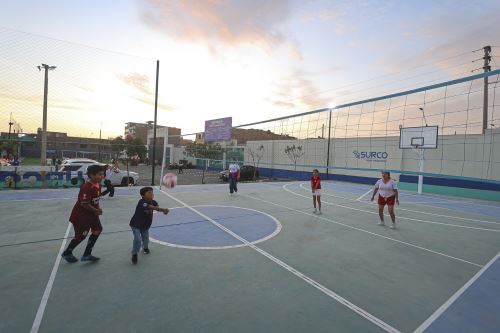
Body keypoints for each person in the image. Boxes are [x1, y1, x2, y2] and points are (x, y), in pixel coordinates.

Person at [61, 165, 104, 263]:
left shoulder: (98, 185)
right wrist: (95, 210)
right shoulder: (86, 187)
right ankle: (67, 252)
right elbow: (84, 203)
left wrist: (97, 208)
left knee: (97, 230)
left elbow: (94, 200)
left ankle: (87, 254)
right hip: (81, 216)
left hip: (92, 215)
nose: (102, 176)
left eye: (102, 174)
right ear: (91, 175)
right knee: (81, 236)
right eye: (99, 174)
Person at [130, 187, 169, 264]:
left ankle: (145, 248)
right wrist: (163, 209)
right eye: (149, 192)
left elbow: (157, 208)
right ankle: (134, 253)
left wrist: (164, 211)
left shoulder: (153, 202)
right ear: (143, 195)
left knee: (146, 239)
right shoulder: (142, 202)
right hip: (136, 224)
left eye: (152, 192)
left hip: (145, 225)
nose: (151, 194)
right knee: (137, 239)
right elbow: (152, 207)